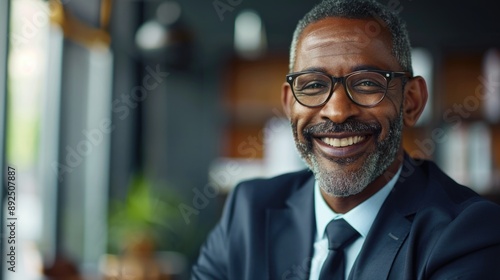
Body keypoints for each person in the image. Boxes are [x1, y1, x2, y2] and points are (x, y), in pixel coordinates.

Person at [191, 0, 500, 279]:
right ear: (289, 105)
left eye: (366, 83)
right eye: (312, 85)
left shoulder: (468, 233)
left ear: (411, 102)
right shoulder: (249, 211)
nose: (337, 112)